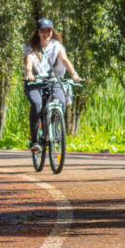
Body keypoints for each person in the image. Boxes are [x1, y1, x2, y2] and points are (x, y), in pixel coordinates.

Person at [23, 18, 82, 151]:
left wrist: (74, 73)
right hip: (35, 82)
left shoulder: (57, 46)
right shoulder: (31, 46)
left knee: (60, 101)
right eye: (43, 31)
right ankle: (35, 141)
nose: (46, 34)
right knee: (37, 104)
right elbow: (28, 61)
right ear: (38, 32)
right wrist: (29, 74)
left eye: (49, 31)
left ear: (52, 32)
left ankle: (52, 127)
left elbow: (64, 59)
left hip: (54, 81)